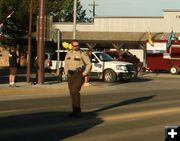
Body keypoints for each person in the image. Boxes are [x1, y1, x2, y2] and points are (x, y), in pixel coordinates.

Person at [64, 39, 92, 117]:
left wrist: (84, 73)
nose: (77, 47)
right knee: (71, 92)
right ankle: (75, 109)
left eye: (78, 45)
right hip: (70, 75)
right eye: (75, 45)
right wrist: (66, 73)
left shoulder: (82, 53)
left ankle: (77, 109)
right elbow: (66, 64)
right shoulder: (69, 53)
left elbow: (89, 64)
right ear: (72, 46)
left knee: (75, 91)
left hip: (78, 75)